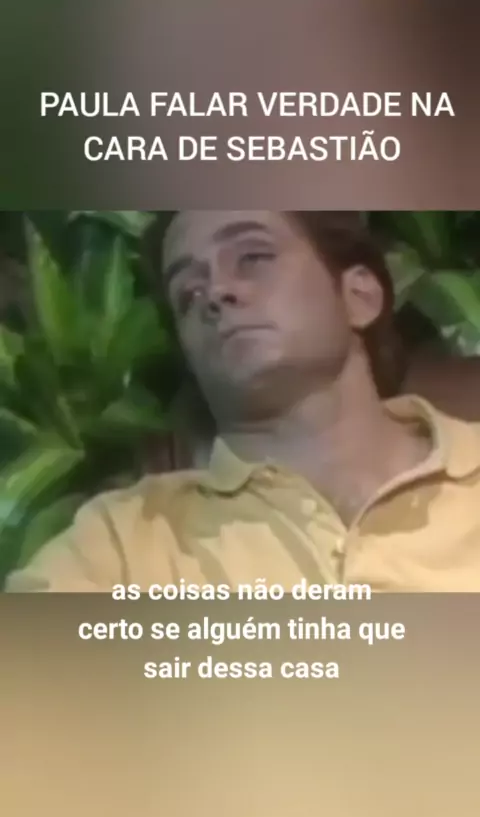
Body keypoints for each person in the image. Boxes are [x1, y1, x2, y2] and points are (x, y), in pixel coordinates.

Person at [6, 210, 480, 593]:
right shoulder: (121, 544)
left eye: (252, 257)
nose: (215, 292)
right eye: (188, 293)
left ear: (359, 295)